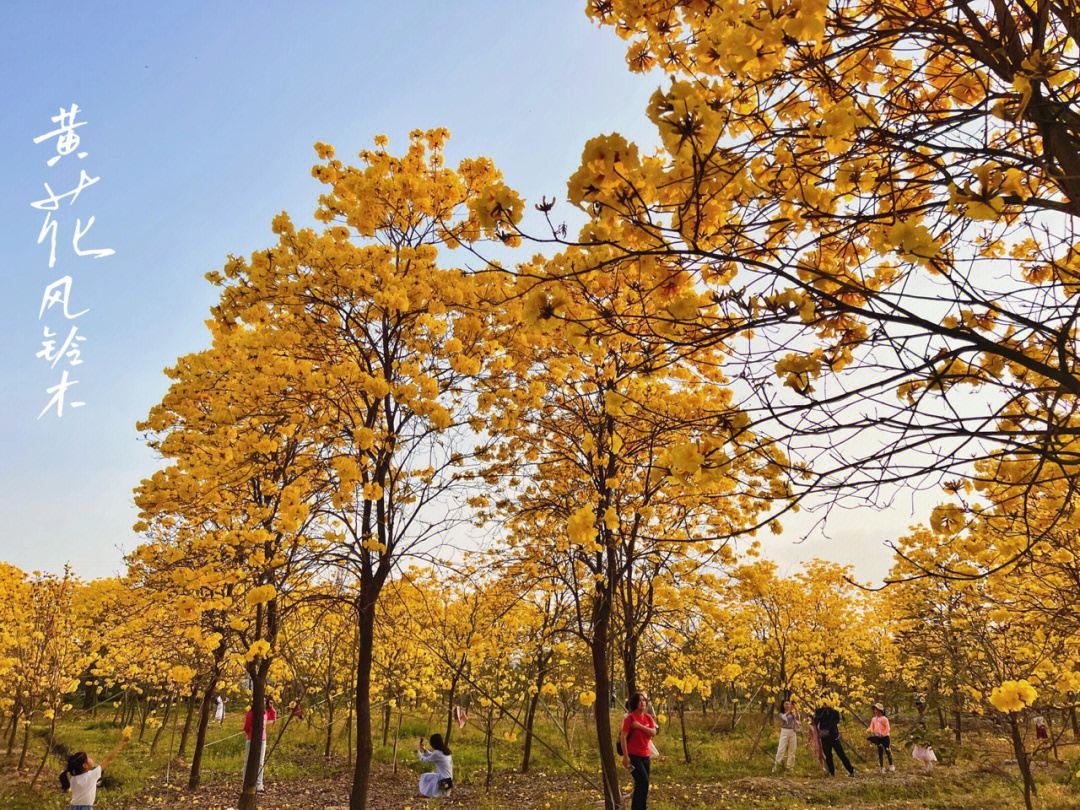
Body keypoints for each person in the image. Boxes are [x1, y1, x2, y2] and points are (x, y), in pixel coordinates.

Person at [59, 727, 131, 808]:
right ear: (85, 765)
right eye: (89, 757)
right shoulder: (91, 775)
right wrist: (122, 743)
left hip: (73, 806)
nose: (91, 758)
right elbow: (109, 759)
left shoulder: (73, 778)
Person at [621, 692, 658, 810]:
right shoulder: (630, 719)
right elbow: (623, 737)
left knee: (643, 785)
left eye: (644, 700)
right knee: (643, 782)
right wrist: (626, 757)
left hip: (645, 755)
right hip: (633, 756)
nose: (643, 702)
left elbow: (653, 732)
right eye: (640, 700)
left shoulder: (648, 718)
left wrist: (640, 727)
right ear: (635, 703)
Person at [813, 695, 855, 777]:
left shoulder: (823, 712)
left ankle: (837, 772)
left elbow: (816, 721)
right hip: (831, 735)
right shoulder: (824, 711)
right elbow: (836, 721)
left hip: (829, 735)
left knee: (834, 754)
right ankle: (839, 772)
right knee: (837, 754)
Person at [242, 697, 278, 791]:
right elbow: (246, 727)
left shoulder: (265, 713)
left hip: (262, 740)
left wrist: (271, 708)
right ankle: (245, 782)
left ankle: (259, 784)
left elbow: (273, 717)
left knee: (260, 762)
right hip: (251, 739)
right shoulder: (251, 713)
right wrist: (251, 733)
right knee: (247, 761)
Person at [416, 733, 453, 798]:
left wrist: (418, 753)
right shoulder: (445, 751)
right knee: (426, 776)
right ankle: (444, 791)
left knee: (425, 778)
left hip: (442, 778)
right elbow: (432, 756)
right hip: (448, 778)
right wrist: (425, 750)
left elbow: (424, 760)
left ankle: (429, 793)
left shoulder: (437, 753)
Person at [772, 698, 800, 774]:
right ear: (783, 705)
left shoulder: (792, 714)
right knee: (781, 749)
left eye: (789, 704)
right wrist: (790, 710)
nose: (788, 705)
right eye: (786, 704)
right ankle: (776, 766)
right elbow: (784, 718)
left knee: (792, 750)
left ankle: (790, 767)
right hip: (784, 731)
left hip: (792, 731)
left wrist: (796, 710)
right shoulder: (781, 713)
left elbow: (798, 721)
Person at [867, 702, 894, 773]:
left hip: (885, 737)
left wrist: (883, 734)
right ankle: (882, 767)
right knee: (880, 751)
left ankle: (891, 765)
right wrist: (870, 731)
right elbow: (872, 727)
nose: (875, 711)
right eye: (875, 709)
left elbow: (887, 729)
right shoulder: (873, 719)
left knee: (888, 750)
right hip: (877, 738)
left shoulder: (884, 719)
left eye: (877, 710)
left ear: (880, 710)